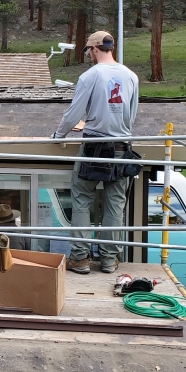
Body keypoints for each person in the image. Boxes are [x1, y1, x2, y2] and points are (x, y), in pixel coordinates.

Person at [52, 31, 139, 275]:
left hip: (93, 147)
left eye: (89, 51)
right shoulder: (131, 76)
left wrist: (59, 136)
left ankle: (80, 258)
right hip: (121, 147)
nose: (89, 54)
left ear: (94, 49)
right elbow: (131, 115)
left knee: (81, 201)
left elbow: (74, 113)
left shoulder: (90, 76)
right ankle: (109, 260)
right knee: (115, 205)